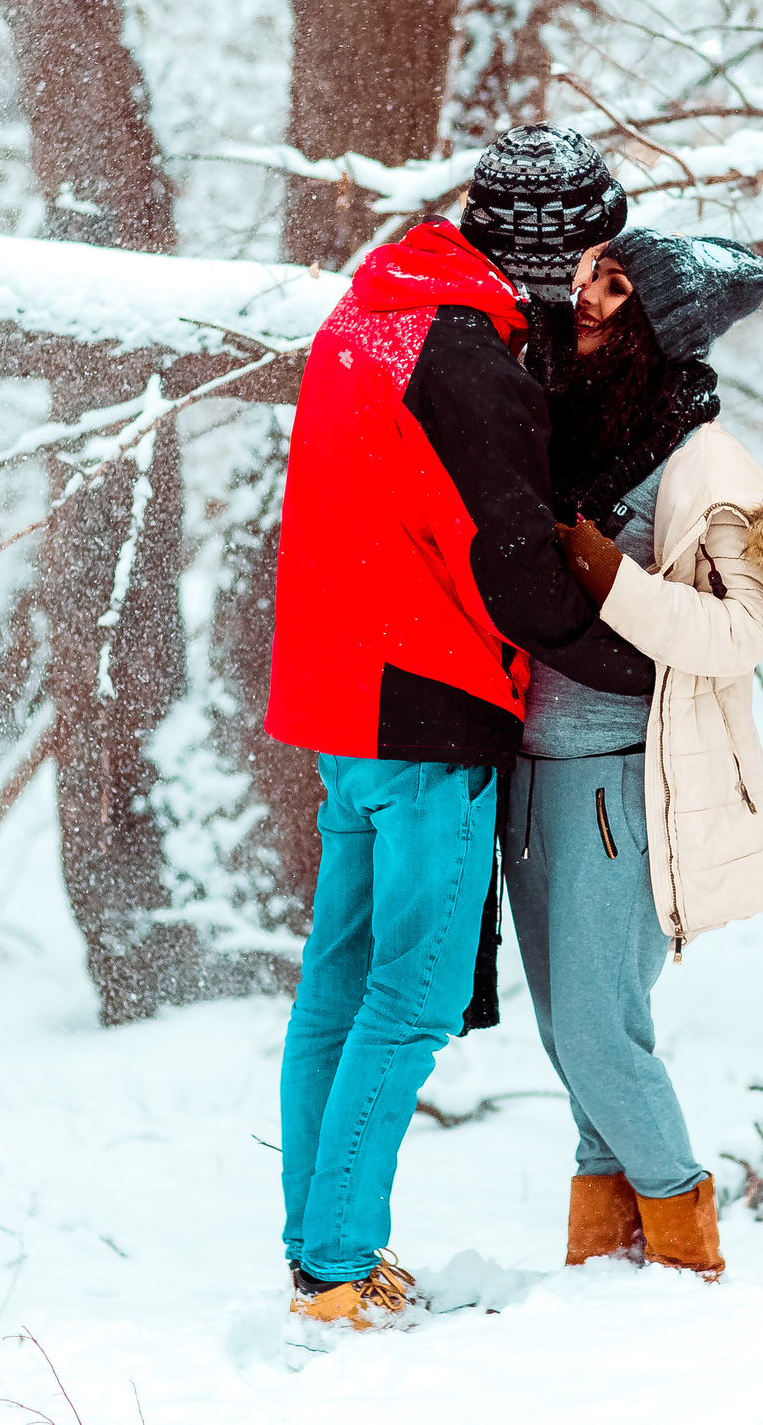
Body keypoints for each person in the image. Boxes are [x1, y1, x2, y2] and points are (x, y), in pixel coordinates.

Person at [264, 124, 652, 1329]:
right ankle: (336, 1274)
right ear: (544, 244)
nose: (601, 264)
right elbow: (519, 569)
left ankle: (317, 1253)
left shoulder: (370, 314)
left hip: (343, 708)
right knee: (414, 999)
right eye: (592, 241)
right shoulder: (471, 362)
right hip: (424, 712)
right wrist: (644, 669)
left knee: (336, 989)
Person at [507, 226, 763, 1281]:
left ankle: (690, 1259)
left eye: (614, 285)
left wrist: (610, 575)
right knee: (565, 1038)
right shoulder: (568, 427)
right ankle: (610, 1279)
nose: (584, 296)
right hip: (531, 776)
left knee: (602, 1033)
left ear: (660, 326)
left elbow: (738, 637)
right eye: (589, 275)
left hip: (617, 783)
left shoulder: (706, 461)